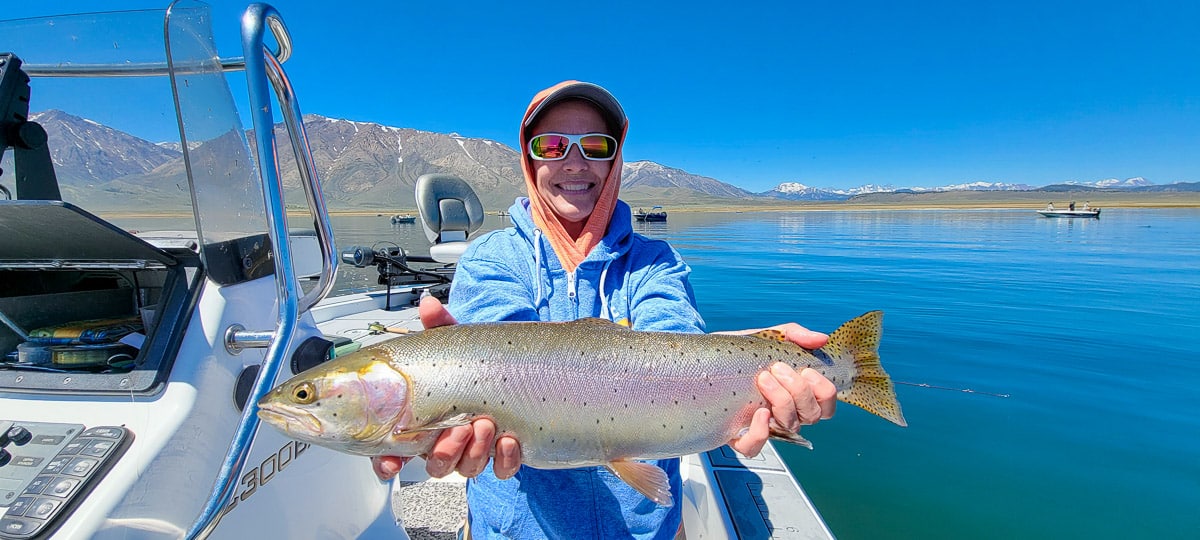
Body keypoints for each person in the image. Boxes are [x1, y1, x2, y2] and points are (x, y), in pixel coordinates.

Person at [373, 81, 837, 539]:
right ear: (529, 158)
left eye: (595, 146)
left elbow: (672, 341)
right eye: (551, 145)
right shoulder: (489, 258)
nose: (574, 163)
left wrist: (752, 358)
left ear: (614, 161)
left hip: (645, 530)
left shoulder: (657, 262)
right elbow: (508, 361)